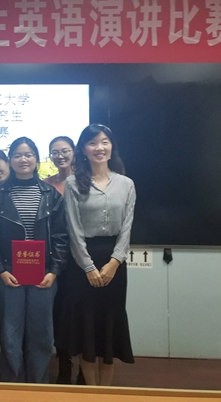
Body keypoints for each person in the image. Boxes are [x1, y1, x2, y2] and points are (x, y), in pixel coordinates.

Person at [0, 136, 69, 384]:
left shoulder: (51, 194)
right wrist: (0, 270)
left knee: (42, 333)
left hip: (44, 273)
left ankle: (38, 384)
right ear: (10, 160)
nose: (23, 159)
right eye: (18, 155)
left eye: (29, 154)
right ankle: (12, 383)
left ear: (37, 160)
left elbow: (62, 236)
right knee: (10, 333)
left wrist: (54, 271)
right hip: (9, 272)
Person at [58, 124, 136, 386]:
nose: (99, 148)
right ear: (83, 149)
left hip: (114, 262)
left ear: (112, 147)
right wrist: (89, 267)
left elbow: (127, 228)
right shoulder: (72, 183)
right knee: (87, 327)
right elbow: (73, 229)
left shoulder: (126, 184)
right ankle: (91, 391)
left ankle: (107, 391)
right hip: (82, 264)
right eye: (92, 143)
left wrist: (114, 263)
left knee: (109, 325)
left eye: (104, 142)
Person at [42, 136, 77, 384]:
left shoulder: (86, 181)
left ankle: (85, 366)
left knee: (79, 312)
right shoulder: (46, 185)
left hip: (81, 258)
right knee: (58, 312)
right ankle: (64, 363)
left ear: (74, 152)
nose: (60, 155)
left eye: (65, 150)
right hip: (54, 259)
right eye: (55, 152)